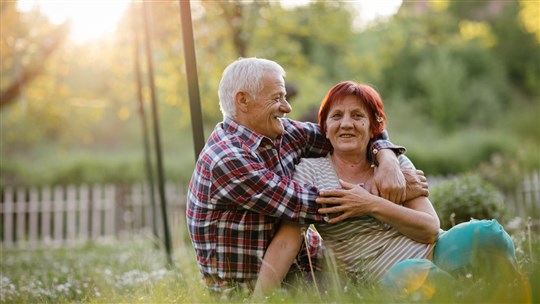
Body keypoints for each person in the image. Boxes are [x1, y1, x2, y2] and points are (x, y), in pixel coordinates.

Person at [254, 81, 520, 300]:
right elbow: (288, 240)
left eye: (358, 116)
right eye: (337, 116)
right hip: (392, 273)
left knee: (486, 232)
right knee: (416, 273)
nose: (346, 124)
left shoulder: (393, 163)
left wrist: (370, 204)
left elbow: (429, 229)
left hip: (437, 250)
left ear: (374, 128)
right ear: (325, 128)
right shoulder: (310, 172)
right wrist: (259, 298)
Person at [186, 58, 427, 295]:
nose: (287, 107)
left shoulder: (284, 133)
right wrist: (386, 189)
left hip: (308, 270)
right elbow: (306, 203)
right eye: (278, 98)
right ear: (244, 100)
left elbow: (354, 131)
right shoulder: (227, 159)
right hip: (249, 290)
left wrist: (387, 158)